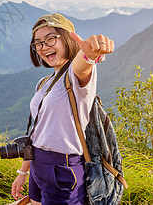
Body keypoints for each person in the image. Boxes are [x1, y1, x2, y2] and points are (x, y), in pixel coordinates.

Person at [11, 13, 114, 205]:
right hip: (37, 165)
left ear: (67, 39)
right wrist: (23, 172)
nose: (44, 47)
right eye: (38, 43)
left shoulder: (75, 78)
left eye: (50, 39)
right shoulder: (43, 83)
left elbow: (83, 65)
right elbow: (36, 133)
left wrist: (90, 54)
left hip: (63, 168)